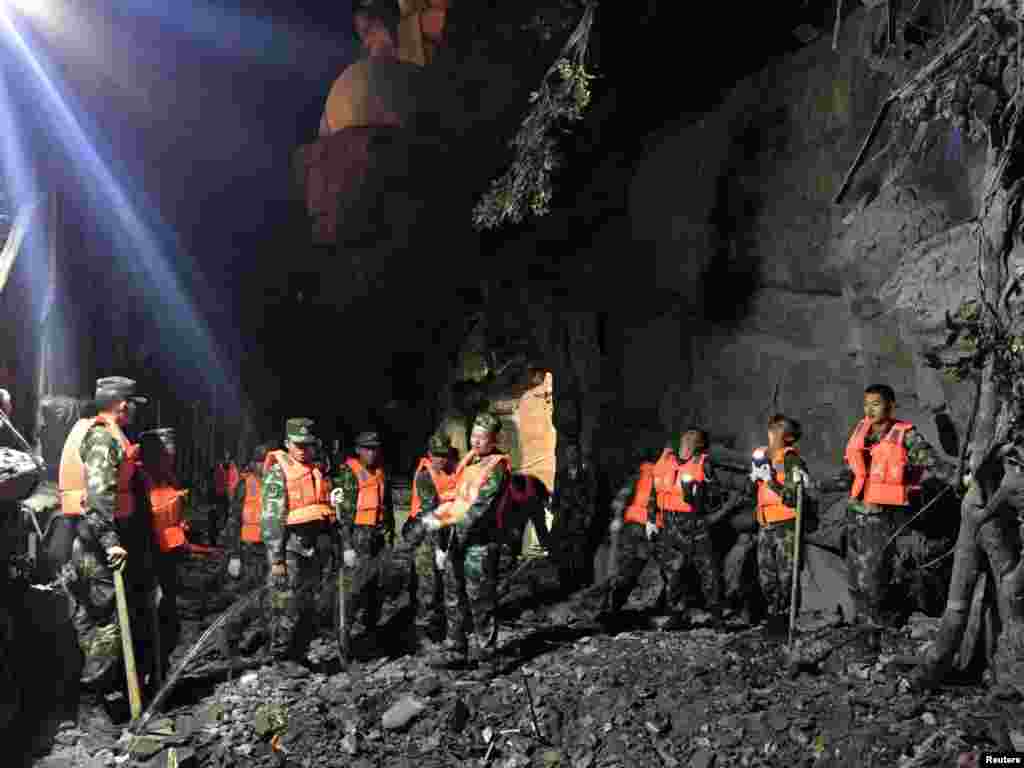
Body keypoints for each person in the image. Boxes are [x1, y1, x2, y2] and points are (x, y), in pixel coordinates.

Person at [59, 376, 151, 724]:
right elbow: (99, 499)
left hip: (86, 542)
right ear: (123, 404)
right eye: (134, 403)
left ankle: (92, 699)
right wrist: (112, 542)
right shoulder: (102, 437)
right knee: (108, 626)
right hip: (97, 547)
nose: (135, 409)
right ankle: (92, 703)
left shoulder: (93, 430)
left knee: (90, 622)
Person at [835, 384, 956, 626]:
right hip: (855, 514)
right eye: (867, 403)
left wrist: (957, 477)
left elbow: (932, 461)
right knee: (854, 577)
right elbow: (851, 471)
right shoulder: (861, 431)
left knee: (875, 578)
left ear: (891, 406)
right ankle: (863, 628)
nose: (869, 409)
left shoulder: (905, 435)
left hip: (883, 518)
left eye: (876, 404)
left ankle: (881, 629)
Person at [422, 413, 510, 670]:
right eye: (474, 436)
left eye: (482, 438)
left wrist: (450, 529)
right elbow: (455, 497)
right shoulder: (469, 462)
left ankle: (488, 659)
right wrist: (438, 522)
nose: (476, 442)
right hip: (456, 539)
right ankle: (455, 650)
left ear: (494, 439)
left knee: (480, 601)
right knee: (453, 597)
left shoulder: (497, 467)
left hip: (479, 544)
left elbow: (479, 507)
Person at [262, 419, 335, 665]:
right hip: (290, 549)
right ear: (287, 444)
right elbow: (272, 518)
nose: (303, 450)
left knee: (308, 603)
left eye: (308, 444)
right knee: (286, 605)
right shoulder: (278, 471)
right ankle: (280, 658)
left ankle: (298, 654)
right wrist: (276, 560)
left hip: (315, 548)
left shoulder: (318, 470)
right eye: (298, 445)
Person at [650, 428, 724, 629]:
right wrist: (651, 519)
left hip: (694, 524)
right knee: (673, 572)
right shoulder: (666, 461)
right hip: (670, 523)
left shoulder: (703, 464)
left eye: (693, 439)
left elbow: (716, 498)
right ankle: (676, 614)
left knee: (708, 569)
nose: (687, 442)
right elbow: (653, 491)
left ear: (699, 444)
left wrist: (700, 493)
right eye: (685, 438)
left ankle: (716, 615)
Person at [750, 414, 811, 623]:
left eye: (779, 429)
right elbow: (757, 493)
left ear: (789, 438)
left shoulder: (791, 459)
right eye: (772, 428)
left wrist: (772, 482)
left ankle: (787, 619)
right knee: (766, 573)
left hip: (786, 524)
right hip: (766, 522)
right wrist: (755, 480)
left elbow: (795, 497)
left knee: (787, 575)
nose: (773, 433)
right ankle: (774, 614)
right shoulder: (762, 458)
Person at [139, 427, 189, 682]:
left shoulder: (169, 477)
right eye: (165, 453)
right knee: (151, 622)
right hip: (149, 561)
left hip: (169, 557)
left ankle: (161, 672)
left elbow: (174, 511)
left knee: (168, 620)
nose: (171, 456)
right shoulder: (138, 479)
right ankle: (147, 676)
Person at [333, 431, 395, 637]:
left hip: (377, 535)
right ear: (358, 450)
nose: (372, 453)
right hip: (358, 535)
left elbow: (387, 506)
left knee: (376, 585)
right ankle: (347, 634)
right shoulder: (349, 473)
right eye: (367, 449)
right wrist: (347, 546)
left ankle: (370, 629)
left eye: (375, 448)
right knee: (355, 588)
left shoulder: (381, 471)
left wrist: (390, 534)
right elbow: (343, 516)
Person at [404, 432, 457, 639]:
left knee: (448, 582)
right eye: (436, 455)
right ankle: (422, 632)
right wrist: (439, 548)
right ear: (429, 454)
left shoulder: (453, 471)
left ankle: (443, 626)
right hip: (426, 532)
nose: (440, 459)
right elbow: (430, 511)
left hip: (447, 529)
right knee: (427, 584)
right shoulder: (424, 476)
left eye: (444, 455)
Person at [221, 444, 272, 657]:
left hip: (270, 550)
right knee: (245, 600)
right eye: (261, 462)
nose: (265, 466)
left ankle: (266, 644)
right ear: (254, 463)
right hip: (247, 550)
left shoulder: (277, 484)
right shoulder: (245, 484)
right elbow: (232, 521)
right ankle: (230, 643)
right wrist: (234, 556)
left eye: (268, 462)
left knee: (269, 599)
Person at [549, 429, 598, 593]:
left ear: (578, 455)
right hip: (563, 518)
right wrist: (554, 509)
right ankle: (565, 584)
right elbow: (556, 495)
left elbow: (592, 497)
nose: (570, 456)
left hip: (579, 518)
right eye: (568, 453)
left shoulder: (586, 475)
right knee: (563, 551)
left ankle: (581, 583)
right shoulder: (560, 475)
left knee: (580, 550)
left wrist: (588, 516)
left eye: (573, 453)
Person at [211, 451, 240, 546]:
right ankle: (218, 537)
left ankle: (227, 539)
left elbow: (235, 481)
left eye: (228, 457)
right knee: (219, 516)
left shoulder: (233, 468)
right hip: (220, 495)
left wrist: (232, 492)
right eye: (224, 457)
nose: (226, 459)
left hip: (230, 496)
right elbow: (216, 482)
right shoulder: (218, 469)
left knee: (229, 517)